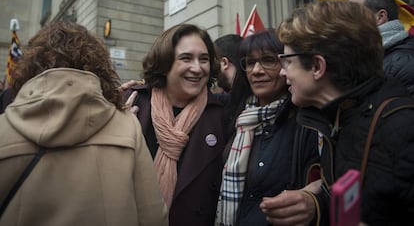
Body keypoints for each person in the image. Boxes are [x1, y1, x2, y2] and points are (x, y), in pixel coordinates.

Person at [0, 21, 168, 226]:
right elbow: (153, 217)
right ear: (100, 66)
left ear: (30, 67)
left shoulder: (3, 130)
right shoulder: (127, 127)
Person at [267, 0, 414, 225]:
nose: (281, 74)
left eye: (286, 62)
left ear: (317, 66)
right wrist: (314, 205)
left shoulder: (403, 129)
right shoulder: (335, 119)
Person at [125, 23, 229, 226]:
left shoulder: (222, 115)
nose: (197, 68)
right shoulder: (132, 102)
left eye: (204, 59)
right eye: (186, 58)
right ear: (164, 63)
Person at [215, 29, 320, 226]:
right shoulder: (238, 115)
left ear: (285, 65)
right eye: (250, 62)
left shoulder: (305, 123)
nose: (256, 70)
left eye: (268, 60)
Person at [348, 0, 414, 94]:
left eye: (352, 14)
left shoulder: (403, 64)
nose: (344, 21)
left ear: (380, 17)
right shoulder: (364, 59)